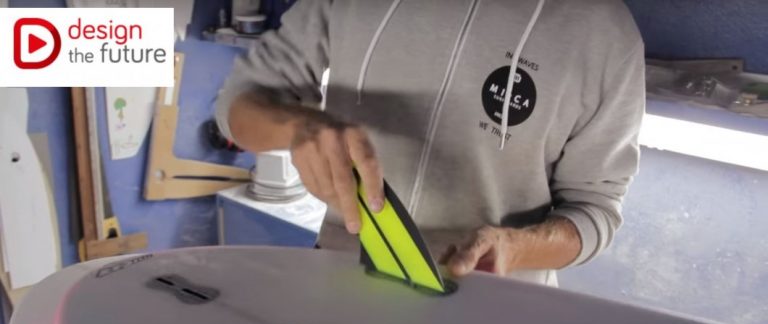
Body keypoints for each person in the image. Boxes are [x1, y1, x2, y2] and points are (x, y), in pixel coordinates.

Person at [215, 0, 645, 286]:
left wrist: (517, 247)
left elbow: (596, 210)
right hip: (344, 284)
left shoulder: (602, 31)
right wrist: (296, 127)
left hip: (497, 305)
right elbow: (237, 106)